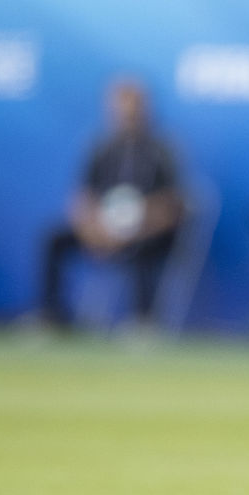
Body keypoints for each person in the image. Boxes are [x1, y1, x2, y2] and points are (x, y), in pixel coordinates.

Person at [41, 79, 183, 328]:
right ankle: (50, 316)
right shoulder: (102, 149)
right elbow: (83, 199)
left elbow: (172, 205)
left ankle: (143, 321)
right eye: (121, 108)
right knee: (53, 239)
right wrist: (94, 232)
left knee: (144, 247)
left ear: (145, 109)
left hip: (147, 231)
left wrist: (135, 229)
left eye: (133, 109)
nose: (127, 115)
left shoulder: (162, 150)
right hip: (102, 230)